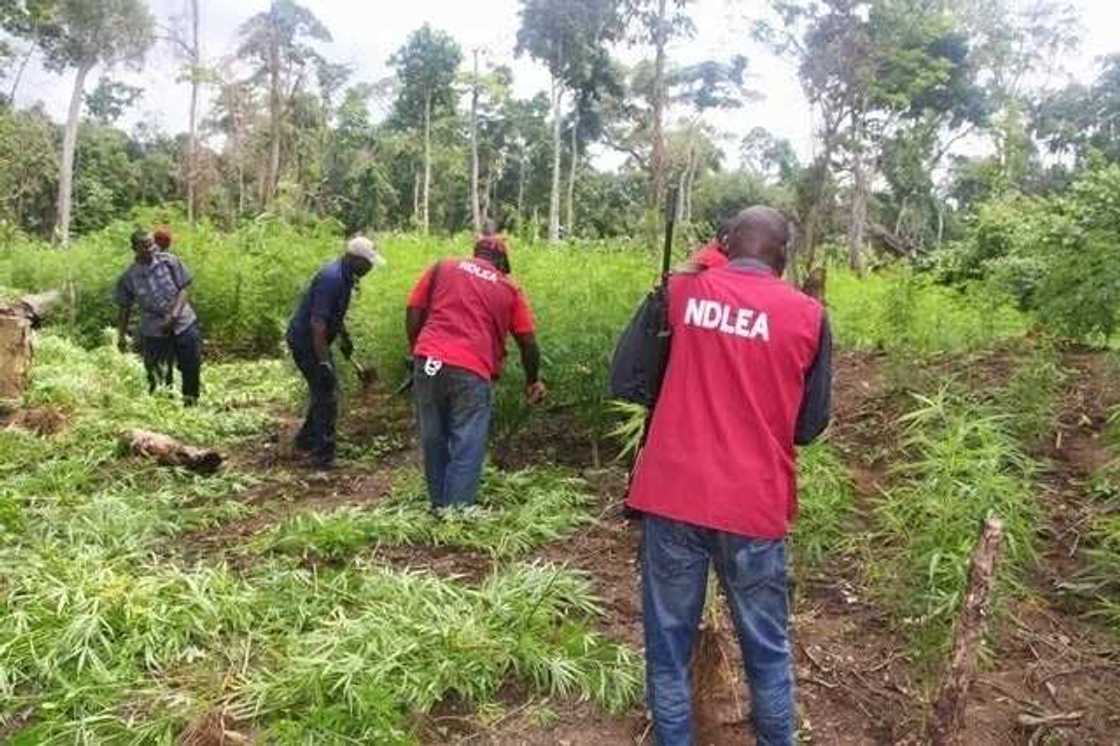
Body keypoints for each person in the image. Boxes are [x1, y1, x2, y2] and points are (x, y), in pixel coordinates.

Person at [625, 206, 832, 745]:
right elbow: (810, 426)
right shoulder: (808, 316)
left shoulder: (681, 292)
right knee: (766, 651)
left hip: (672, 496)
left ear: (725, 244)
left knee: (668, 649)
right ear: (783, 256)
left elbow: (626, 377)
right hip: (753, 505)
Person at [405, 222, 546, 510]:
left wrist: (417, 350)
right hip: (471, 369)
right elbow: (528, 342)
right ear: (502, 262)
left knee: (434, 436)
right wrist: (532, 380)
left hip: (430, 361)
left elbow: (413, 310)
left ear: (476, 253)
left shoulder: (443, 267)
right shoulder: (509, 288)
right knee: (467, 441)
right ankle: (455, 514)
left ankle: (437, 505)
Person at [286, 236, 384, 469]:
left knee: (323, 390)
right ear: (353, 259)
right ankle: (323, 457)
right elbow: (317, 323)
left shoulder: (347, 276)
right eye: (367, 263)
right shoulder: (332, 278)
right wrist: (324, 362)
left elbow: (333, 316)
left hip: (315, 339)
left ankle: (305, 441)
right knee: (326, 393)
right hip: (305, 341)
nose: (370, 268)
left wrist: (344, 338)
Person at [116, 229, 202, 405]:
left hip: (183, 321)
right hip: (154, 328)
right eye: (145, 246)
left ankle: (191, 402)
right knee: (156, 370)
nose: (150, 249)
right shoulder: (129, 277)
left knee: (191, 364)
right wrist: (121, 336)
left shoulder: (169, 261)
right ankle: (163, 404)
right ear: (134, 248)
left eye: (151, 244)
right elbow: (125, 308)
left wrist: (174, 314)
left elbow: (184, 287)